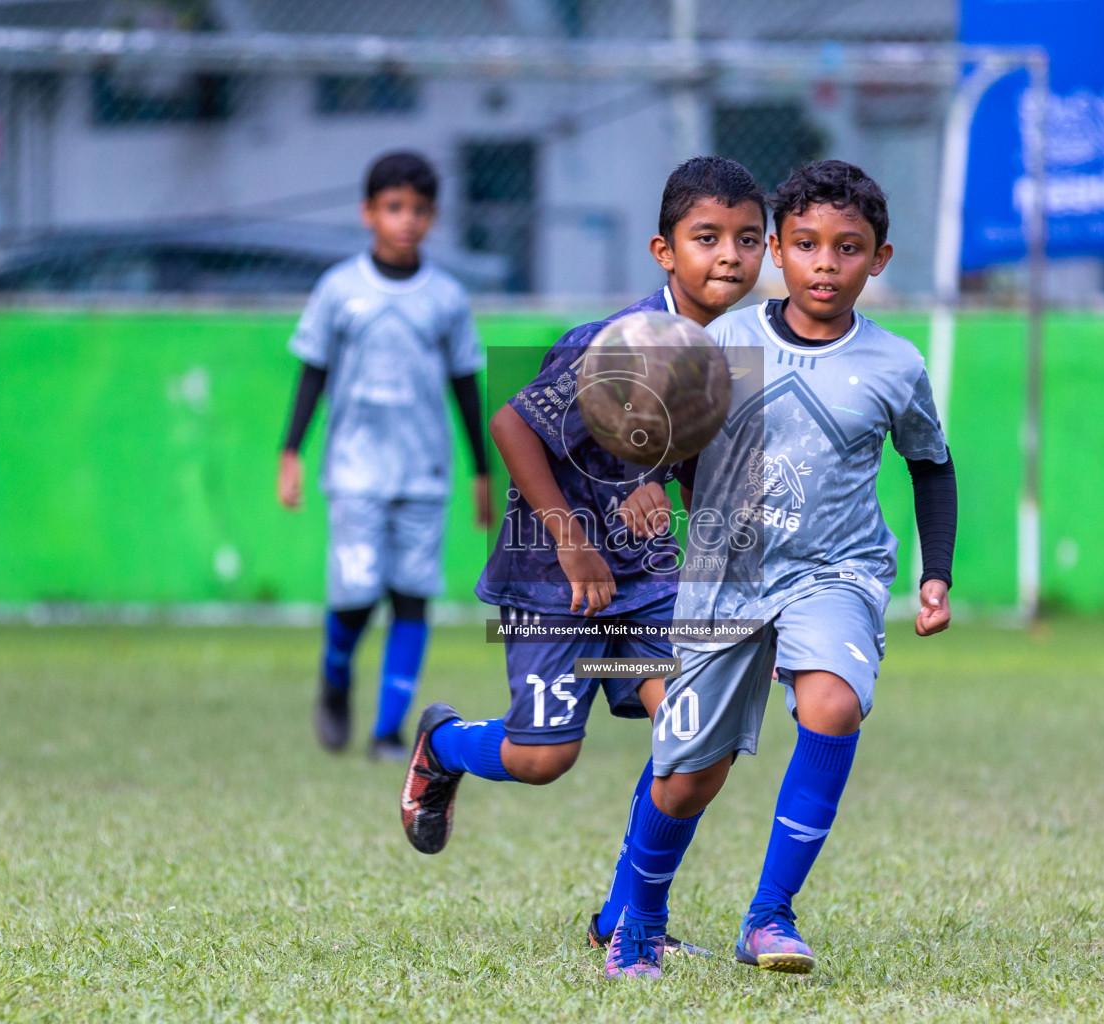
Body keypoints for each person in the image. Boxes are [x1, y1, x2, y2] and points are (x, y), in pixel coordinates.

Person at [397, 156, 768, 954]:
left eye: (748, 238)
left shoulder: (732, 354)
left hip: (646, 583)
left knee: (692, 732)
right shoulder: (622, 342)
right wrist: (576, 541)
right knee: (544, 758)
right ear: (664, 251)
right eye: (707, 237)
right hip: (556, 580)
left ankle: (628, 919)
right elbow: (513, 427)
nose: (729, 255)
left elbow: (698, 480)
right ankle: (445, 744)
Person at [602, 160, 958, 979]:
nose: (825, 264)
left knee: (831, 706)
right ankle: (639, 922)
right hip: (725, 578)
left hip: (836, 571)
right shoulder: (724, 340)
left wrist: (935, 572)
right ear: (776, 253)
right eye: (805, 245)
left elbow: (931, 466)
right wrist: (647, 479)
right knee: (689, 779)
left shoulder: (896, 364)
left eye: (847, 248)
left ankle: (770, 915)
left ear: (881, 258)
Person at [277, 151, 492, 761]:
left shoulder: (445, 298)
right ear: (368, 212)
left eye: (419, 210)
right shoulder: (340, 290)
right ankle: (336, 677)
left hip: (424, 473)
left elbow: (463, 385)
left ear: (432, 218)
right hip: (354, 470)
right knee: (355, 592)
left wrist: (481, 468)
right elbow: (313, 370)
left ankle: (388, 732)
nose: (406, 221)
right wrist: (289, 451)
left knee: (411, 594)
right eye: (394, 207)